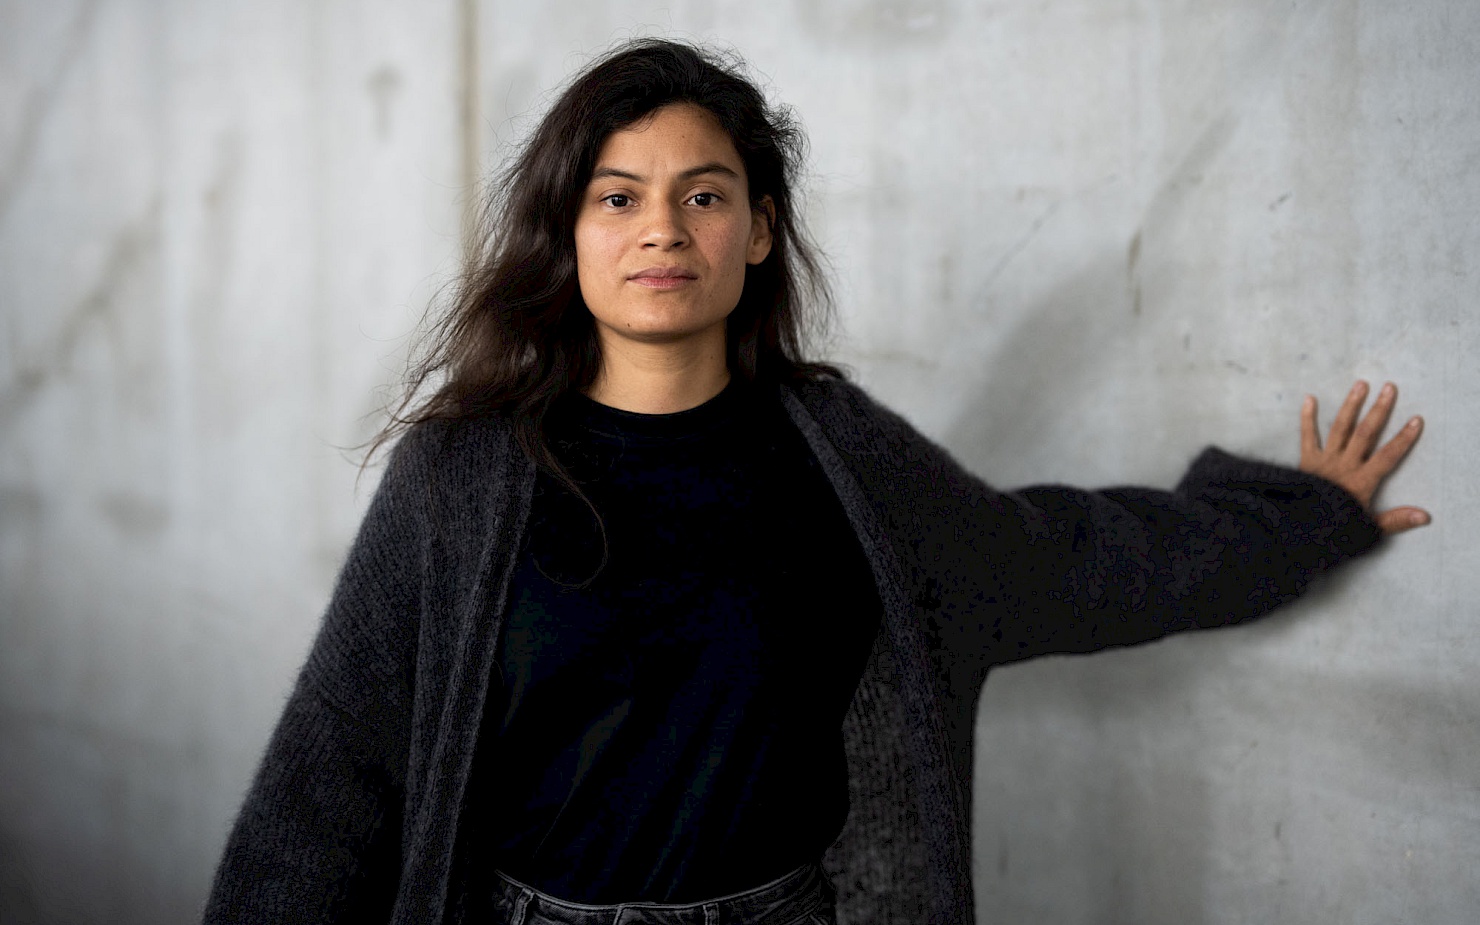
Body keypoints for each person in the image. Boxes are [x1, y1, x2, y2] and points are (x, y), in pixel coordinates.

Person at [201, 38, 1427, 925]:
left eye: (703, 195)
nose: (661, 230)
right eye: (615, 199)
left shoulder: (844, 461)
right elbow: (339, 762)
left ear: (760, 229)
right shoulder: (459, 478)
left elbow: (1058, 565)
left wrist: (1302, 516)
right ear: (566, 237)